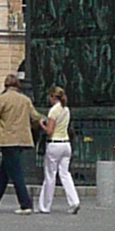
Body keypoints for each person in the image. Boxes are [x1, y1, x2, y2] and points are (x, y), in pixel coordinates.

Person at [0, 72, 43, 210]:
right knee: (4, 172)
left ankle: (25, 204)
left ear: (6, 85)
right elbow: (34, 116)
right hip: (21, 139)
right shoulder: (25, 99)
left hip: (6, 139)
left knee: (15, 173)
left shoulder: (2, 99)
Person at [37, 82, 79, 214]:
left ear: (53, 97)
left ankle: (45, 206)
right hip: (66, 144)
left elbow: (49, 130)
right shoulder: (66, 110)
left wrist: (41, 124)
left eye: (50, 97)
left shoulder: (53, 111)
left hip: (54, 144)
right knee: (65, 174)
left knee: (50, 175)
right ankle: (74, 201)